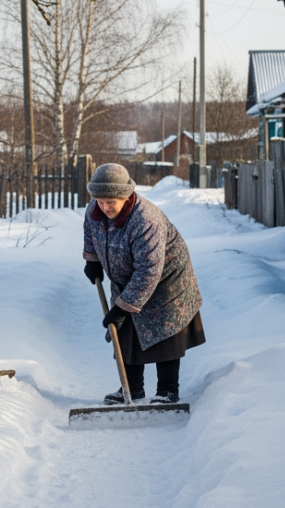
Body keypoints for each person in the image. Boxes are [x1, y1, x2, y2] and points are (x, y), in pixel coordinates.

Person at [82, 163, 204, 404]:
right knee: (125, 330)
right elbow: (90, 233)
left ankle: (167, 391)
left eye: (111, 202)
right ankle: (131, 389)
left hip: (167, 279)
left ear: (126, 196)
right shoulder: (93, 210)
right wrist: (92, 259)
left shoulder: (145, 220)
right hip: (127, 276)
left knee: (164, 331)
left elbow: (149, 271)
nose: (105, 207)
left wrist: (122, 307)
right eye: (101, 201)